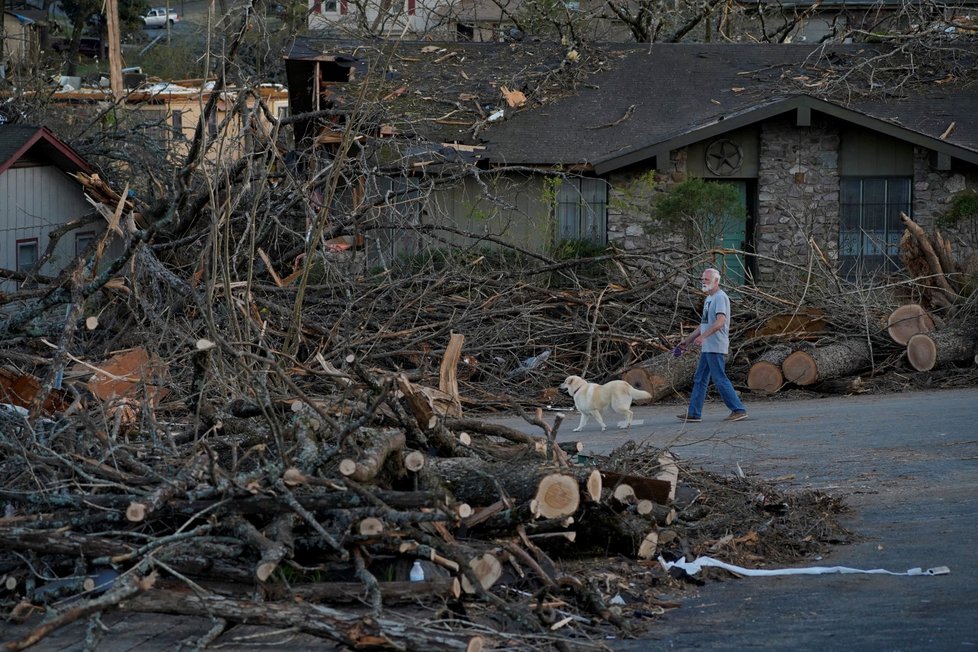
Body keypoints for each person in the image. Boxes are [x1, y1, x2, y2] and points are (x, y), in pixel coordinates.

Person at [674, 268, 748, 423]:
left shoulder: (721, 298)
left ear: (716, 281)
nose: (703, 282)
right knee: (700, 378)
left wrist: (703, 337)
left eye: (707, 280)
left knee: (719, 378)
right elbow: (704, 324)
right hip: (708, 346)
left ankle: (738, 409)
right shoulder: (708, 299)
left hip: (716, 345)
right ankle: (694, 412)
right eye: (703, 279)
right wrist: (687, 340)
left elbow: (720, 322)